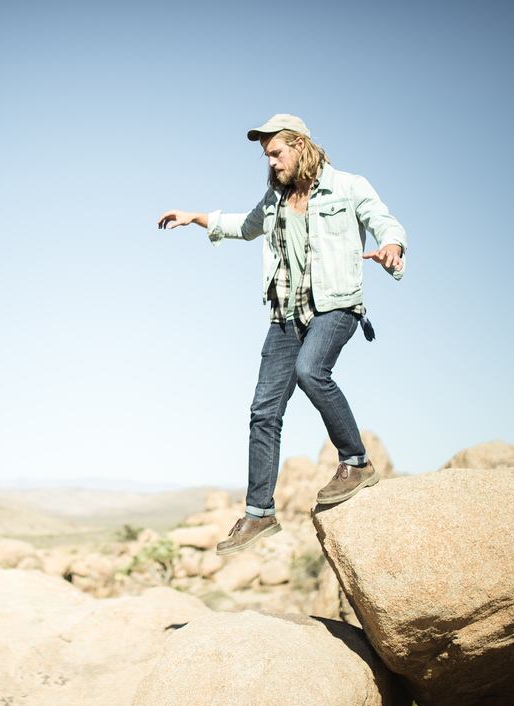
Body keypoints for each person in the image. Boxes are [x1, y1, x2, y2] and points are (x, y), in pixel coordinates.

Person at [156, 113, 406, 556]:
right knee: (263, 411)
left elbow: (384, 221)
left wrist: (392, 247)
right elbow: (244, 227)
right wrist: (195, 217)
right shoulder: (273, 201)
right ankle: (259, 513)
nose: (270, 163)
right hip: (286, 316)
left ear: (301, 146)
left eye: (276, 152)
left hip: (336, 307)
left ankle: (356, 462)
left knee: (312, 371)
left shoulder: (348, 186)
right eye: (266, 156)